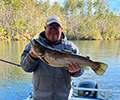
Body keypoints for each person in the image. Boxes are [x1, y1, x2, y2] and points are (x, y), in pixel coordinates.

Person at [20, 15, 84, 100]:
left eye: (56, 26)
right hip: (39, 97)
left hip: (63, 97)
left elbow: (81, 71)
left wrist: (75, 71)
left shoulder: (70, 47)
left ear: (61, 29)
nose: (53, 29)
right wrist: (32, 57)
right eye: (50, 26)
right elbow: (25, 67)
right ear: (45, 27)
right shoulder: (34, 45)